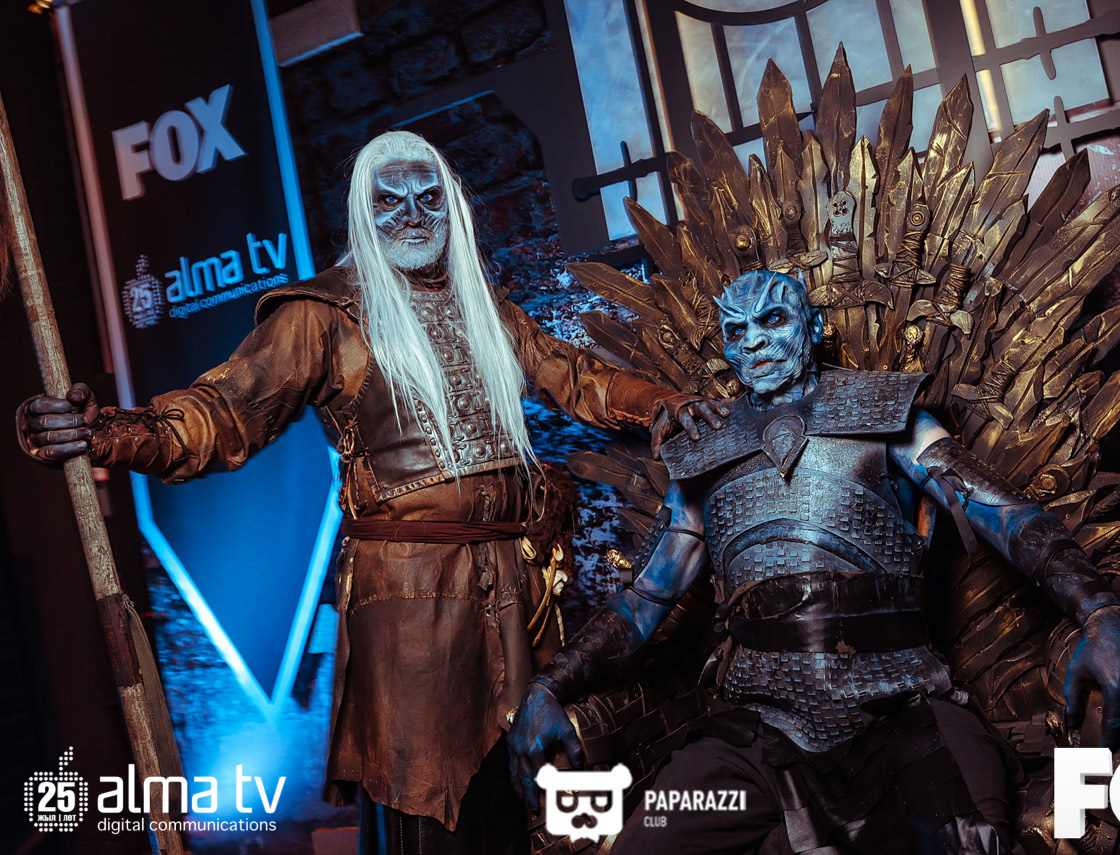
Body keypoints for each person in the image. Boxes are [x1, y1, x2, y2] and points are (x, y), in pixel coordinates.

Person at [16, 130, 726, 854]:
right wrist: (105, 432)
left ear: (451, 206)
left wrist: (660, 402)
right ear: (364, 212)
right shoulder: (323, 315)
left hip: (514, 589)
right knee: (426, 796)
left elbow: (575, 375)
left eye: (429, 198)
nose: (413, 215)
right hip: (409, 596)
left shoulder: (485, 307)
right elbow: (224, 412)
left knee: (523, 796)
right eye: (391, 202)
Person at [508, 269, 1120, 854]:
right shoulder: (702, 455)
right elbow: (643, 601)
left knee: (975, 837)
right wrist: (548, 686)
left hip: (899, 709)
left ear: (814, 326)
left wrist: (1102, 611)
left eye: (773, 320)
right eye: (737, 332)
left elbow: (1005, 515)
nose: (755, 343)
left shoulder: (890, 414)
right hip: (753, 736)